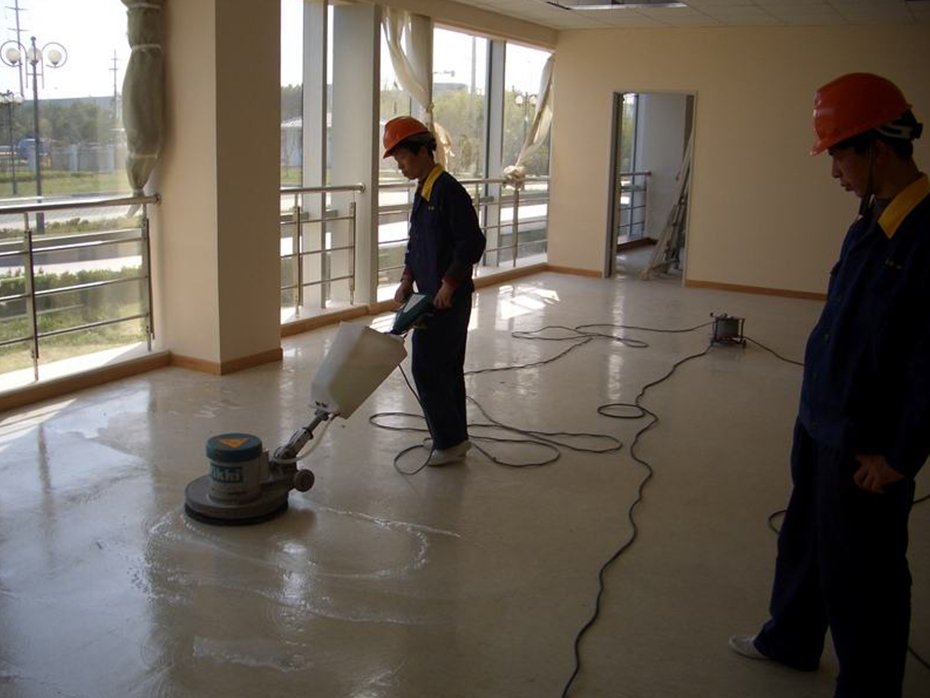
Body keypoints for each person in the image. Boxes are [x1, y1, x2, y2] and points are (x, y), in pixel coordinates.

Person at [729, 73, 928, 698]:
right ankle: (790, 639)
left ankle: (868, 687)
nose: (834, 170)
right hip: (823, 421)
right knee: (806, 541)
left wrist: (901, 457)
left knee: (864, 573)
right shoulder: (871, 222)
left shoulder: (925, 237)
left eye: (840, 154)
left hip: (865, 444)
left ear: (879, 148)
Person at [383, 116, 486, 466]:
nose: (400, 166)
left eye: (403, 158)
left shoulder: (447, 191)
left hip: (447, 300)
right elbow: (417, 242)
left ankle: (449, 441)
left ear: (423, 152)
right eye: (397, 160)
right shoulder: (424, 189)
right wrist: (406, 279)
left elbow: (471, 242)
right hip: (427, 295)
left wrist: (449, 283)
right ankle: (453, 437)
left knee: (428, 368)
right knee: (444, 368)